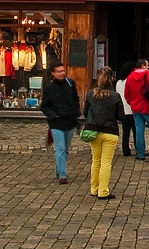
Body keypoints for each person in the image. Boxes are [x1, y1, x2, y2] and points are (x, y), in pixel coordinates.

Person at [82, 67, 124, 200]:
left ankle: (94, 189)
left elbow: (85, 113)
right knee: (106, 162)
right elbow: (121, 116)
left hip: (93, 130)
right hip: (110, 131)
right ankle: (103, 191)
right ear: (111, 79)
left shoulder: (90, 94)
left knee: (96, 161)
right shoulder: (115, 96)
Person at [41, 62, 80, 184]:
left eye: (63, 70)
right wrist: (53, 115)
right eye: (59, 71)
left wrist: (76, 110)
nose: (62, 73)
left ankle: (59, 169)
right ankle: (63, 175)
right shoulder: (49, 88)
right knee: (61, 148)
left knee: (66, 149)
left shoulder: (70, 83)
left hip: (69, 121)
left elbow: (75, 98)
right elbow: (44, 106)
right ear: (53, 73)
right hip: (56, 123)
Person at [123, 59, 149, 161]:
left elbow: (126, 95)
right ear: (142, 66)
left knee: (139, 130)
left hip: (136, 108)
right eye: (147, 65)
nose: (148, 67)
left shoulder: (130, 78)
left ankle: (140, 153)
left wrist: (132, 104)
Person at [115, 61, 137, 157]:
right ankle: (138, 148)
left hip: (123, 110)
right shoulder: (131, 81)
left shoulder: (119, 82)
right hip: (132, 109)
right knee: (136, 131)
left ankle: (125, 149)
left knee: (125, 131)